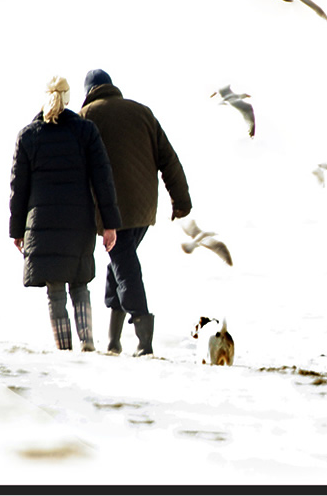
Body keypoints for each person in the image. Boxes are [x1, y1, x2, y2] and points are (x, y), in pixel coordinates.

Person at [79, 69, 192, 356]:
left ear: (89, 91)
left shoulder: (87, 116)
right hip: (143, 209)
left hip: (110, 211)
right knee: (120, 261)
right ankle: (114, 341)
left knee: (124, 265)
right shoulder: (143, 112)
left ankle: (143, 339)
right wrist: (180, 201)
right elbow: (169, 158)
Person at [10, 76, 122, 351]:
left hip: (41, 223)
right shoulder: (85, 132)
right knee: (80, 282)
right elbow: (102, 179)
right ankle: (87, 342)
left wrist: (16, 231)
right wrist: (110, 224)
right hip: (77, 221)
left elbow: (18, 188)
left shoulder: (28, 135)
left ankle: (64, 349)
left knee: (55, 289)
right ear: (69, 98)